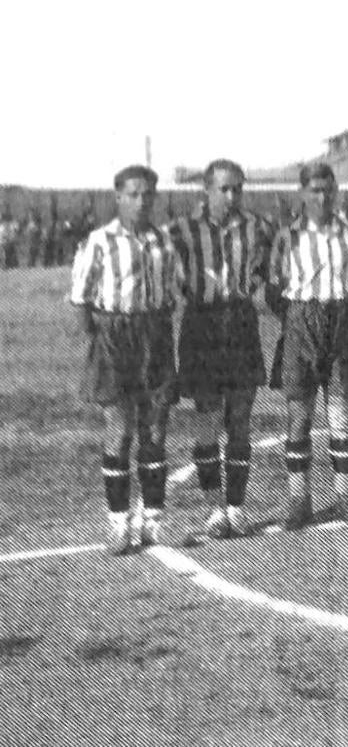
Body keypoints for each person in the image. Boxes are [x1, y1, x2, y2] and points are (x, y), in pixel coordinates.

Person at [69, 165, 178, 555]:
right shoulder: (99, 241)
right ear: (118, 197)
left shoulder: (163, 240)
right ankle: (118, 523)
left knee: (155, 430)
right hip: (115, 336)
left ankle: (152, 520)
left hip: (154, 333)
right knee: (119, 429)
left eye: (148, 193)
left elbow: (170, 294)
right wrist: (102, 338)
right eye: (133, 193)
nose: (141, 200)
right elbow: (81, 301)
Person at [170, 159, 273, 539]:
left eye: (237, 189)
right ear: (207, 190)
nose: (231, 196)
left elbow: (269, 269)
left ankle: (236, 506)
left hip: (241, 324)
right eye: (224, 189)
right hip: (203, 327)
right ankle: (214, 508)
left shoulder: (258, 228)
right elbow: (169, 276)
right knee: (208, 420)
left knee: (241, 421)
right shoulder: (181, 230)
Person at [267, 163, 348, 529]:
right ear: (303, 193)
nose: (322, 197)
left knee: (341, 417)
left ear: (336, 191)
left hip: (340, 323)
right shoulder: (287, 236)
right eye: (314, 190)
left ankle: (345, 496)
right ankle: (300, 499)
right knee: (300, 417)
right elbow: (273, 290)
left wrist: (341, 312)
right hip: (300, 322)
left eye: (327, 189)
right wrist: (298, 319)